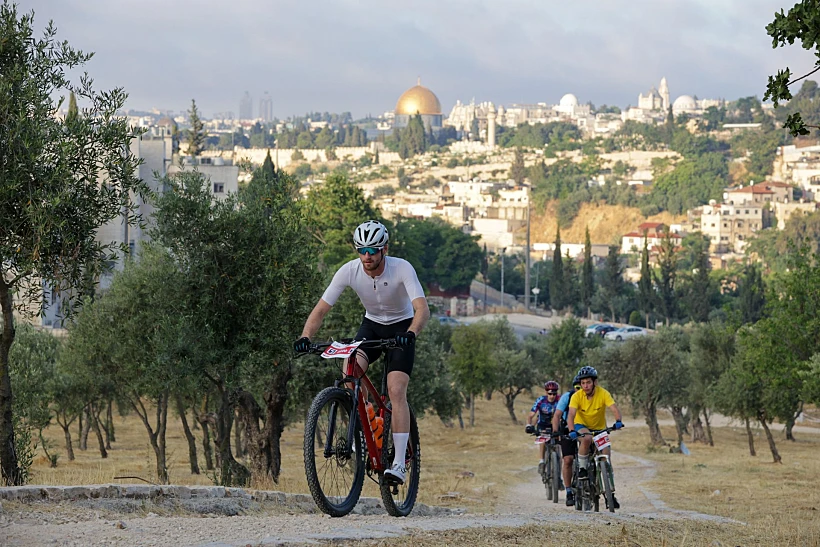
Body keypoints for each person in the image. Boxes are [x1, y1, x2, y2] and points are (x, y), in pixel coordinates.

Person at [294, 220, 430, 485]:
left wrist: (411, 333)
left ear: (384, 249)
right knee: (350, 371)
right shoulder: (348, 271)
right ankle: (367, 428)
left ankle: (400, 463)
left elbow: (422, 310)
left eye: (373, 250)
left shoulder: (402, 268)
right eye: (362, 250)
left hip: (402, 327)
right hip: (372, 326)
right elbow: (321, 310)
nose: (367, 256)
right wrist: (305, 337)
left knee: (396, 389)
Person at [567, 365, 624, 510]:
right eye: (583, 383)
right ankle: (583, 468)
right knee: (586, 439)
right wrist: (572, 429)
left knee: (607, 458)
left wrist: (618, 421)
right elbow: (571, 415)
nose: (585, 386)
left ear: (594, 382)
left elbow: (614, 408)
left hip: (599, 428)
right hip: (581, 425)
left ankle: (609, 495)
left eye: (588, 382)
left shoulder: (603, 393)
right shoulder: (576, 396)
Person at [552, 375, 581, 507]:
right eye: (578, 387)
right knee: (568, 459)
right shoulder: (567, 397)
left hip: (584, 428)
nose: (581, 389)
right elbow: (557, 415)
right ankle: (569, 491)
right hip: (566, 429)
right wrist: (555, 431)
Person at [527, 380, 560, 475]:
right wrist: (529, 426)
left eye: (554, 393)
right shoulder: (541, 400)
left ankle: (558, 476)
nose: (552, 396)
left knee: (559, 447)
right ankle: (541, 461)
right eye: (550, 393)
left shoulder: (560, 400)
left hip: (556, 424)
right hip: (543, 424)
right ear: (546, 392)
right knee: (543, 439)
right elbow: (531, 415)